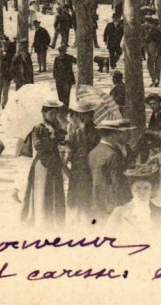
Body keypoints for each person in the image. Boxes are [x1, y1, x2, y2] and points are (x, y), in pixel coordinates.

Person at [21, 98, 67, 228]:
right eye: (51, 113)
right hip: (43, 163)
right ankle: (42, 221)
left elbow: (62, 139)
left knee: (56, 190)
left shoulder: (57, 125)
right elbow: (37, 145)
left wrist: (62, 138)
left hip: (55, 161)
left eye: (55, 113)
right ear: (44, 113)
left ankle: (56, 222)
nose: (54, 116)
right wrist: (52, 140)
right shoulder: (38, 127)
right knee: (43, 191)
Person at [64, 95, 100, 226]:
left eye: (84, 115)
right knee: (75, 199)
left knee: (87, 199)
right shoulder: (74, 130)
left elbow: (90, 150)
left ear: (90, 116)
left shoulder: (95, 131)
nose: (80, 118)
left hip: (89, 169)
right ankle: (75, 223)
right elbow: (70, 148)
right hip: (76, 169)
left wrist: (82, 129)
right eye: (79, 115)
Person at [89, 119, 133, 224]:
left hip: (96, 202)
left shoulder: (93, 152)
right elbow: (117, 184)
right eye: (117, 133)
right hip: (112, 204)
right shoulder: (112, 155)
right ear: (112, 135)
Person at [106, 162, 161, 234]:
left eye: (146, 188)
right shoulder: (119, 212)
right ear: (132, 189)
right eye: (138, 188)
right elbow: (108, 238)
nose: (142, 192)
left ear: (151, 191)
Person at [145, 17, 161, 87]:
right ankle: (157, 81)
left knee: (150, 65)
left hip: (153, 50)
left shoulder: (151, 32)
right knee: (158, 67)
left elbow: (147, 40)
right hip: (160, 50)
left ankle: (154, 79)